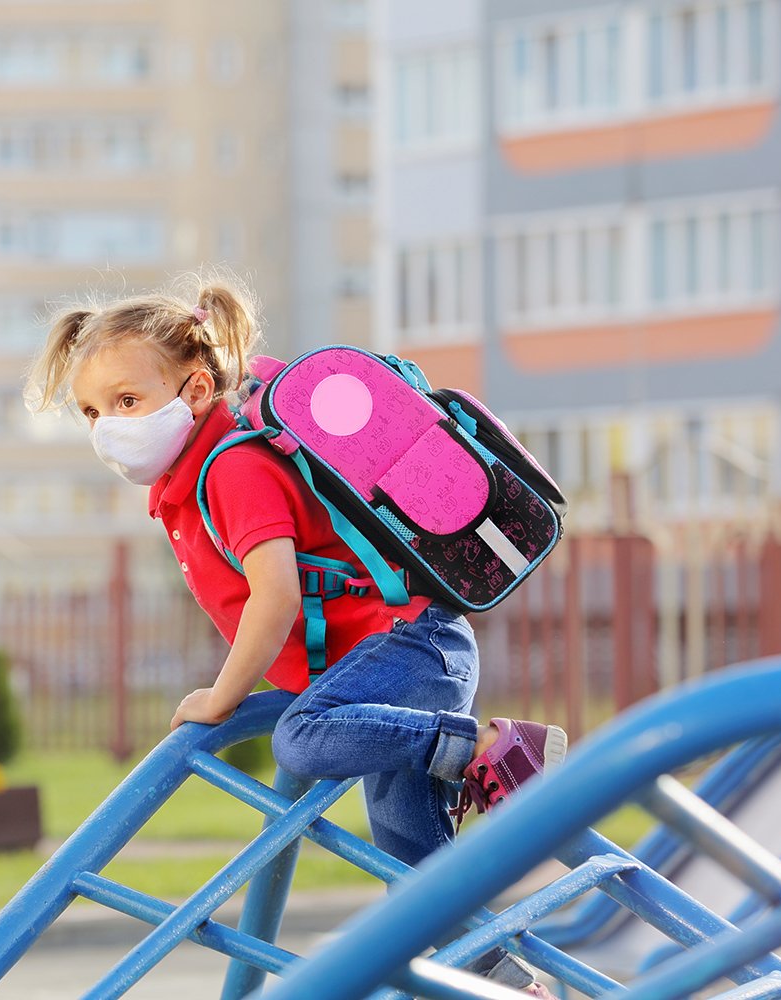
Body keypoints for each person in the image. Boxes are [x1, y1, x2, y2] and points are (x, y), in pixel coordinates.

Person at [28, 274, 564, 997]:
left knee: (300, 737)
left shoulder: (233, 469)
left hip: (410, 647)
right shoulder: (193, 481)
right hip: (399, 658)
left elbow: (275, 596)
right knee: (409, 850)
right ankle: (505, 979)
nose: (108, 427)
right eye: (92, 411)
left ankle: (484, 750)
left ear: (192, 391)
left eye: (127, 401)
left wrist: (222, 696)